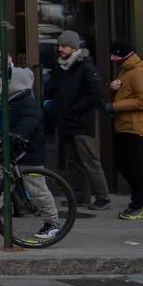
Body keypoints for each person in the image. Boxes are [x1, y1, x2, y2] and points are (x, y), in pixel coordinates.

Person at [48, 30, 110, 210]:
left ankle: (103, 196)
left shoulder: (86, 67)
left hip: (82, 121)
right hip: (66, 121)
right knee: (74, 161)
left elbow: (95, 94)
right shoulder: (61, 66)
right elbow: (56, 88)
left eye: (64, 46)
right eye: (59, 46)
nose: (60, 49)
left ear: (74, 47)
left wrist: (75, 109)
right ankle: (80, 195)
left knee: (89, 160)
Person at [1, 65, 61, 238]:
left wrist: (4, 141)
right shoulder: (11, 101)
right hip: (13, 155)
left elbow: (21, 130)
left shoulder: (28, 104)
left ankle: (52, 223)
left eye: (8, 80)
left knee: (37, 191)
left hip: (29, 156)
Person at [108, 40, 143, 221]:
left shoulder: (139, 73)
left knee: (134, 167)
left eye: (114, 54)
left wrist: (114, 106)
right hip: (126, 126)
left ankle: (138, 205)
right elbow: (127, 93)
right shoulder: (127, 71)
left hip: (136, 127)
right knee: (122, 164)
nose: (112, 58)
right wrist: (112, 87)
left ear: (123, 54)